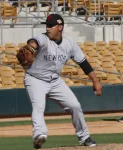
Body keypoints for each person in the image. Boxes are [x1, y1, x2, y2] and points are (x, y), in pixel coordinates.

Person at [20, 13, 102, 149]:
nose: (47, 28)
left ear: (60, 27)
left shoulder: (70, 44)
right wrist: (31, 47)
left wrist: (95, 81)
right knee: (38, 107)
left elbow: (84, 63)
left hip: (55, 81)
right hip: (35, 80)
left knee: (75, 106)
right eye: (47, 25)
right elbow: (33, 43)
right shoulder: (43, 39)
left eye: (51, 26)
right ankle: (39, 135)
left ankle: (85, 136)